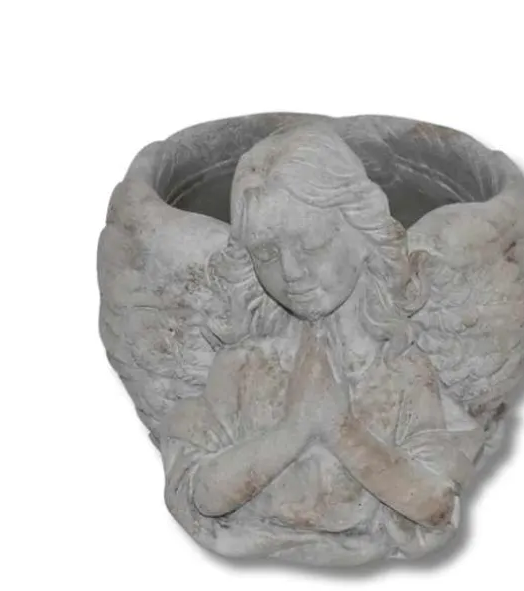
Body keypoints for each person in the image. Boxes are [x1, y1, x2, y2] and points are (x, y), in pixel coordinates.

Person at [159, 124, 481, 564]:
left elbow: (434, 504)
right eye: (267, 254)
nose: (292, 272)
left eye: (311, 244)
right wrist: (294, 430)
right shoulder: (242, 366)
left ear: (365, 234)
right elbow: (202, 493)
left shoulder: (400, 369)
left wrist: (342, 432)